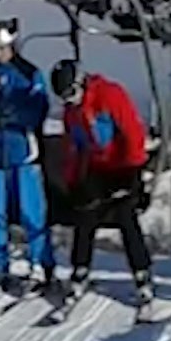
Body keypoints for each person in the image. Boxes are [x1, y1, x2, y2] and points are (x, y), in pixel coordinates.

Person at [51, 59, 153, 304]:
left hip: (122, 165)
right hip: (97, 168)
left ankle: (141, 273)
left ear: (81, 83)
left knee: (125, 216)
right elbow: (74, 148)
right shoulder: (71, 112)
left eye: (71, 94)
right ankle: (80, 270)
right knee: (85, 215)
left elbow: (132, 131)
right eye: (64, 98)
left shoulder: (109, 95)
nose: (70, 101)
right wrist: (73, 181)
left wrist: (133, 173)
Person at [0, 22, 56, 291]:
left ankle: (40, 261)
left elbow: (39, 108)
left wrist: (16, 117)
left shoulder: (29, 75)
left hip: (23, 150)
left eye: (3, 48)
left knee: (30, 210)